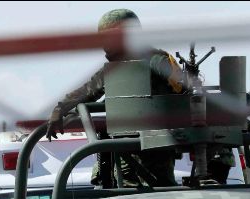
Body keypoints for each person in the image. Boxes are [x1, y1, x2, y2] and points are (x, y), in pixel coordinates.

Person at [45, 9, 185, 188]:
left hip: (154, 148)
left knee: (158, 198)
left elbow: (184, 90)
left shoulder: (157, 60)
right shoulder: (114, 68)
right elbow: (88, 90)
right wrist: (60, 109)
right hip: (122, 147)